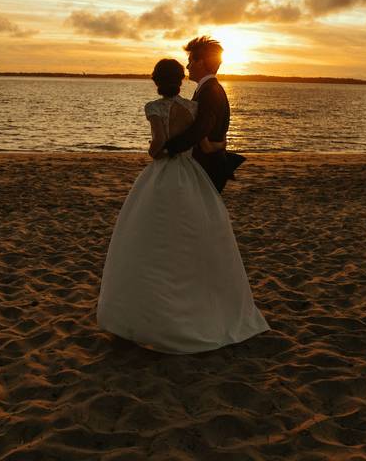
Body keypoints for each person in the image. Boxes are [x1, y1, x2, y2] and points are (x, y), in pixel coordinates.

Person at [96, 58, 269, 354]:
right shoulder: (192, 107)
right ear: (179, 81)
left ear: (156, 81)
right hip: (192, 175)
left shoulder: (154, 108)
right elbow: (202, 142)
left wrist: (160, 149)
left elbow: (158, 148)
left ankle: (143, 318)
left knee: (147, 241)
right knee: (193, 238)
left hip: (163, 176)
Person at [163, 36, 244, 193]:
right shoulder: (209, 88)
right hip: (208, 164)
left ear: (200, 62)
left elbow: (200, 129)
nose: (187, 66)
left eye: (191, 61)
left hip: (208, 167)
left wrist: (168, 148)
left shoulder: (210, 91)